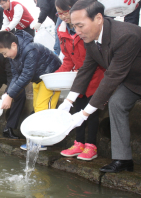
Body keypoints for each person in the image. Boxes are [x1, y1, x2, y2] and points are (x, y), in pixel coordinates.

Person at [58, 0, 141, 173]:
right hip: (132, 81)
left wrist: (85, 113)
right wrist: (69, 101)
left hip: (130, 75)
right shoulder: (90, 38)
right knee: (117, 103)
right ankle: (123, 159)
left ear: (98, 18)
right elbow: (86, 69)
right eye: (74, 26)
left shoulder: (126, 35)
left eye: (80, 26)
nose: (77, 32)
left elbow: (112, 77)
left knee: (114, 96)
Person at [54, 0, 105, 161]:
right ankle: (79, 143)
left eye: (64, 13)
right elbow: (68, 59)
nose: (62, 17)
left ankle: (91, 146)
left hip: (96, 74)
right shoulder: (61, 31)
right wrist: (56, 75)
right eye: (58, 14)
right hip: (78, 78)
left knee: (91, 111)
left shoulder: (84, 29)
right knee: (77, 109)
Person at [0, 30, 62, 150]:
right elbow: (16, 75)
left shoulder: (30, 49)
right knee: (37, 107)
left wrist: (10, 96)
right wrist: (8, 93)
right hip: (39, 79)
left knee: (43, 108)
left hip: (52, 77)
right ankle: (39, 139)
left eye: (5, 53)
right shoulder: (13, 55)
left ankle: (44, 140)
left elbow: (26, 76)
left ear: (14, 45)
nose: (5, 56)